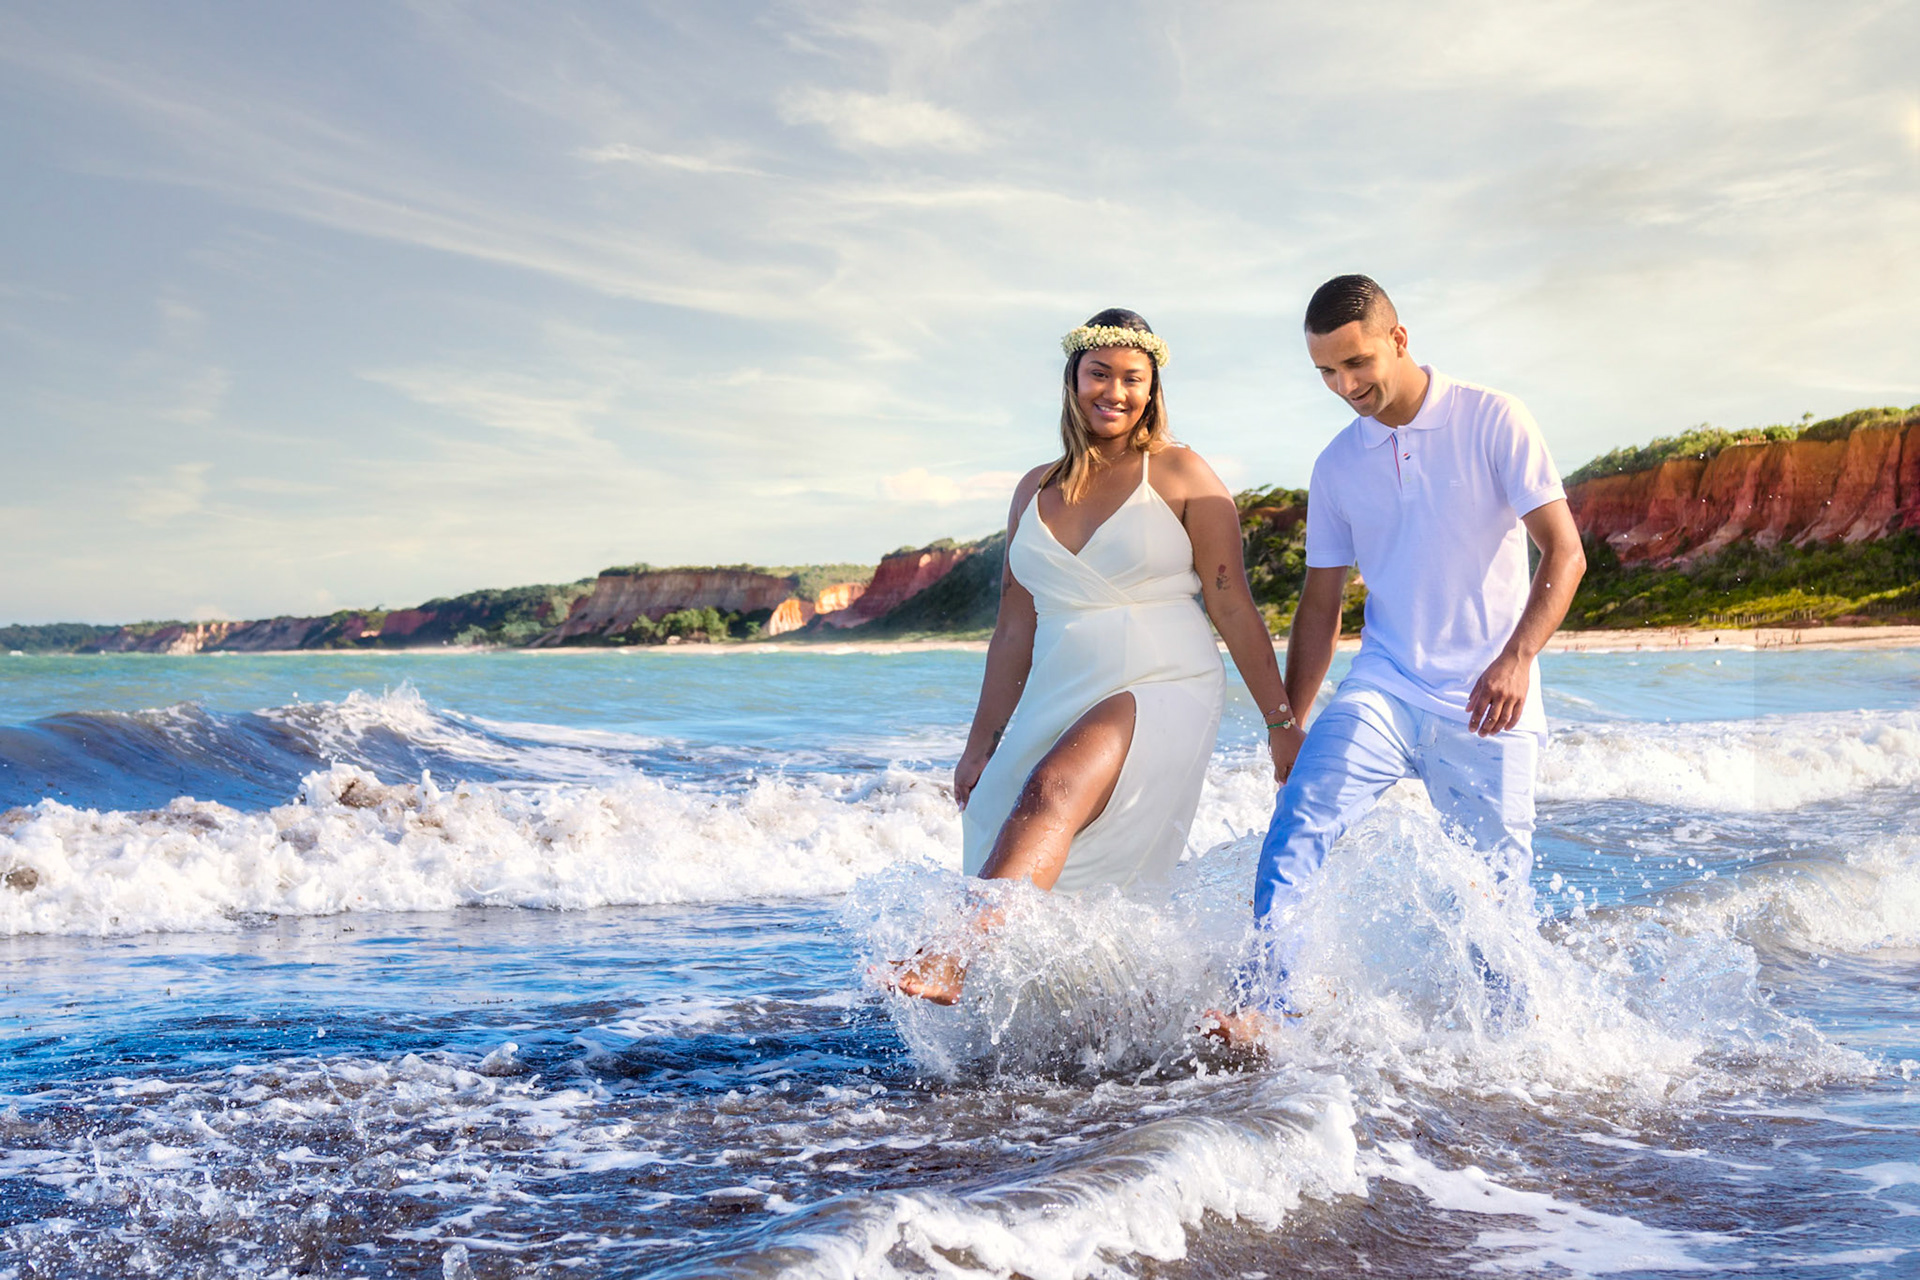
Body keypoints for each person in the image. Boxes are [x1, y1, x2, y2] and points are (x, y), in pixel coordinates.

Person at [890, 309, 1305, 1004]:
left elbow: (1232, 602)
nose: (1115, 391)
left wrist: (1281, 721)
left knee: (1054, 787)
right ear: (1073, 379)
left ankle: (949, 958)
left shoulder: (1181, 471)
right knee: (1007, 812)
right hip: (1061, 687)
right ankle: (1095, 1021)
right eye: (1100, 374)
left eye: (1133, 378)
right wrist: (978, 745)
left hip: (1163, 682)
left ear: (1153, 388)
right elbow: (1013, 630)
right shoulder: (1034, 488)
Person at [1220, 274, 1586, 1029]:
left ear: (1399, 338)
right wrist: (1287, 719)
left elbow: (1566, 553)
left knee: (1495, 908)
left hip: (1491, 698)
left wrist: (1517, 658)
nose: (1344, 385)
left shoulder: (1492, 417)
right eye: (1326, 371)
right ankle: (1270, 1013)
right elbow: (1322, 605)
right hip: (1385, 684)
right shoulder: (1337, 464)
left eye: (1357, 363)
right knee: (1299, 824)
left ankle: (1512, 1061)